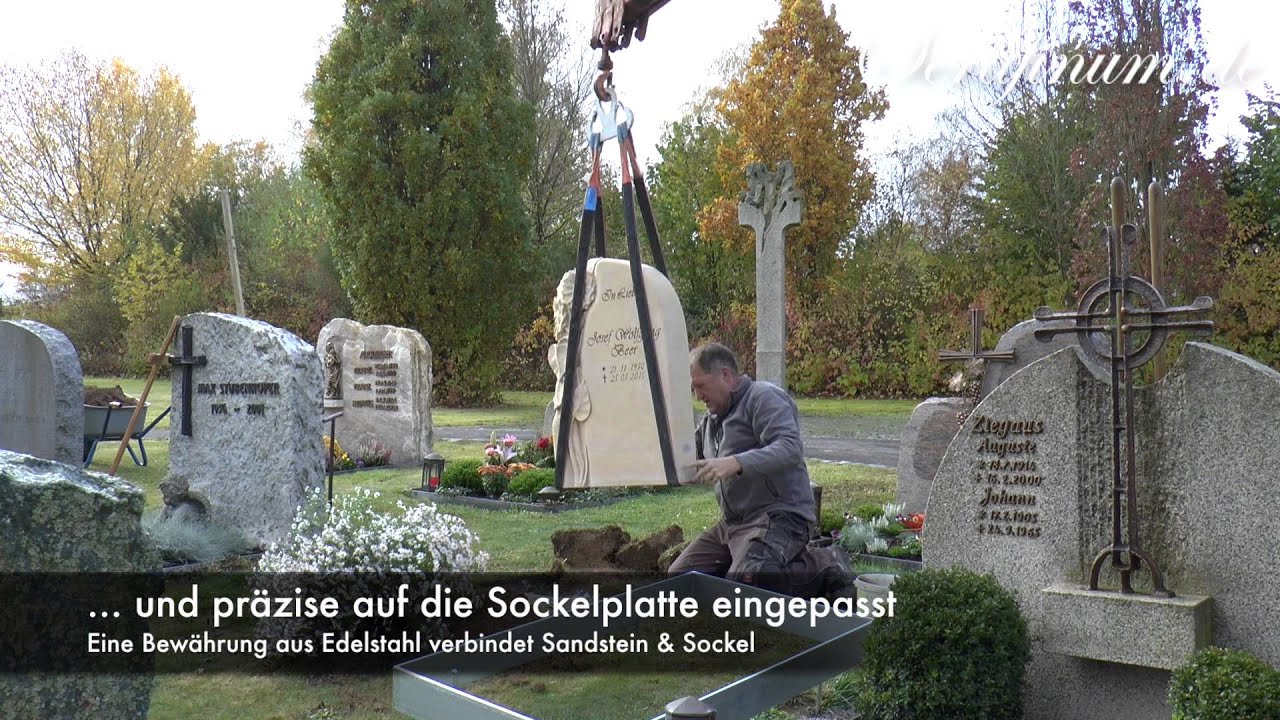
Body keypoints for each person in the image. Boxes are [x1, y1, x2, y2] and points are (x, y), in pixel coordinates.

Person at [668, 342, 853, 597]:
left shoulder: (762, 397)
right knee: (680, 580)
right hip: (733, 524)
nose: (697, 395)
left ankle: (824, 566)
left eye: (700, 385)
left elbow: (789, 447)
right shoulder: (711, 421)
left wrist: (736, 462)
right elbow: (687, 457)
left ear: (725, 375)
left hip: (781, 516)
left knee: (750, 580)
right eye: (693, 388)